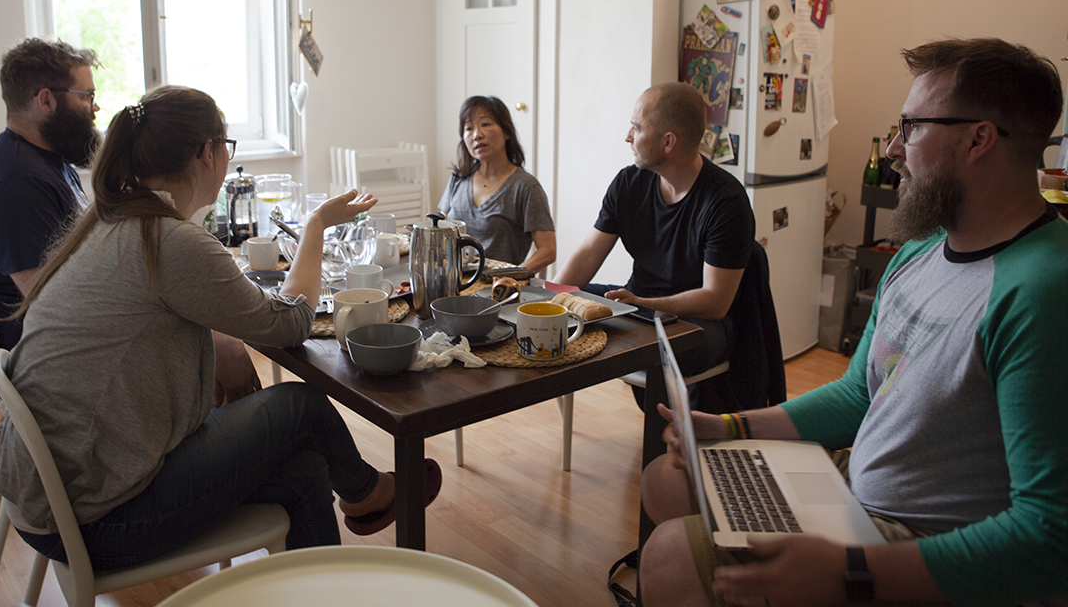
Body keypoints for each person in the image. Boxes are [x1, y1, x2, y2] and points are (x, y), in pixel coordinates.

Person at [639, 38, 1068, 607]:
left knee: (669, 556)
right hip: (853, 484)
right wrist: (731, 427)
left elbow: (1048, 538)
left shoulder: (1041, 289)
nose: (893, 147)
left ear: (978, 139)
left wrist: (855, 572)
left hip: (921, 537)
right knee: (665, 479)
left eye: (911, 127)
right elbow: (856, 394)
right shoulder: (922, 252)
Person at [0, 85, 441, 565]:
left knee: (306, 468)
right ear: (208, 152)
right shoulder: (167, 238)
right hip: (95, 517)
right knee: (303, 405)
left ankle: (326, 569)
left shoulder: (110, 221)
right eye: (226, 148)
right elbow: (290, 323)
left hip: (52, 495)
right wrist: (314, 228)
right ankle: (367, 493)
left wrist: (219, 338)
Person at [556, 83, 754, 381]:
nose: (627, 136)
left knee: (659, 348)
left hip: (699, 322)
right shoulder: (628, 183)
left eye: (636, 127)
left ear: (668, 142)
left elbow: (715, 301)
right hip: (638, 305)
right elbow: (588, 255)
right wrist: (549, 302)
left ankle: (667, 427)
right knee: (567, 308)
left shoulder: (726, 202)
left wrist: (641, 303)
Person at [0, 38, 102, 380]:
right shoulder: (15, 183)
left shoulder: (46, 160)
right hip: (44, 365)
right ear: (47, 100)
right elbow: (54, 303)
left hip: (59, 347)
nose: (95, 109)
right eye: (87, 97)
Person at [438, 95, 555, 272]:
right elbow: (440, 229)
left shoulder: (525, 187)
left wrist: (509, 278)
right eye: (469, 128)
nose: (477, 135)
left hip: (495, 290)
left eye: (485, 124)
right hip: (453, 280)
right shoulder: (458, 178)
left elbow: (548, 251)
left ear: (506, 132)